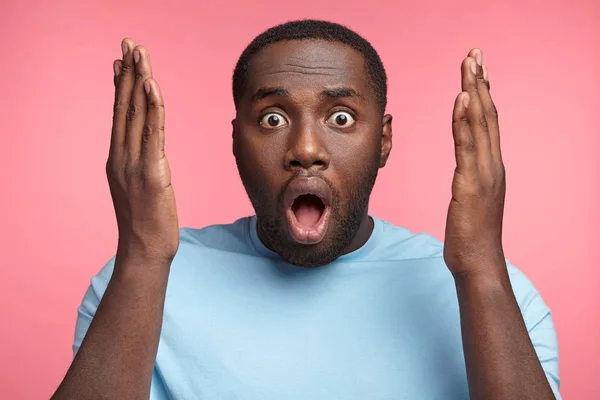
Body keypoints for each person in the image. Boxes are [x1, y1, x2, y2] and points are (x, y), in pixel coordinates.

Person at [52, 20, 560, 399]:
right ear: (236, 141)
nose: (306, 148)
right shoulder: (142, 279)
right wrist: (141, 256)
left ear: (383, 141)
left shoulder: (494, 295)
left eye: (341, 117)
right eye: (272, 118)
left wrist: (481, 269)